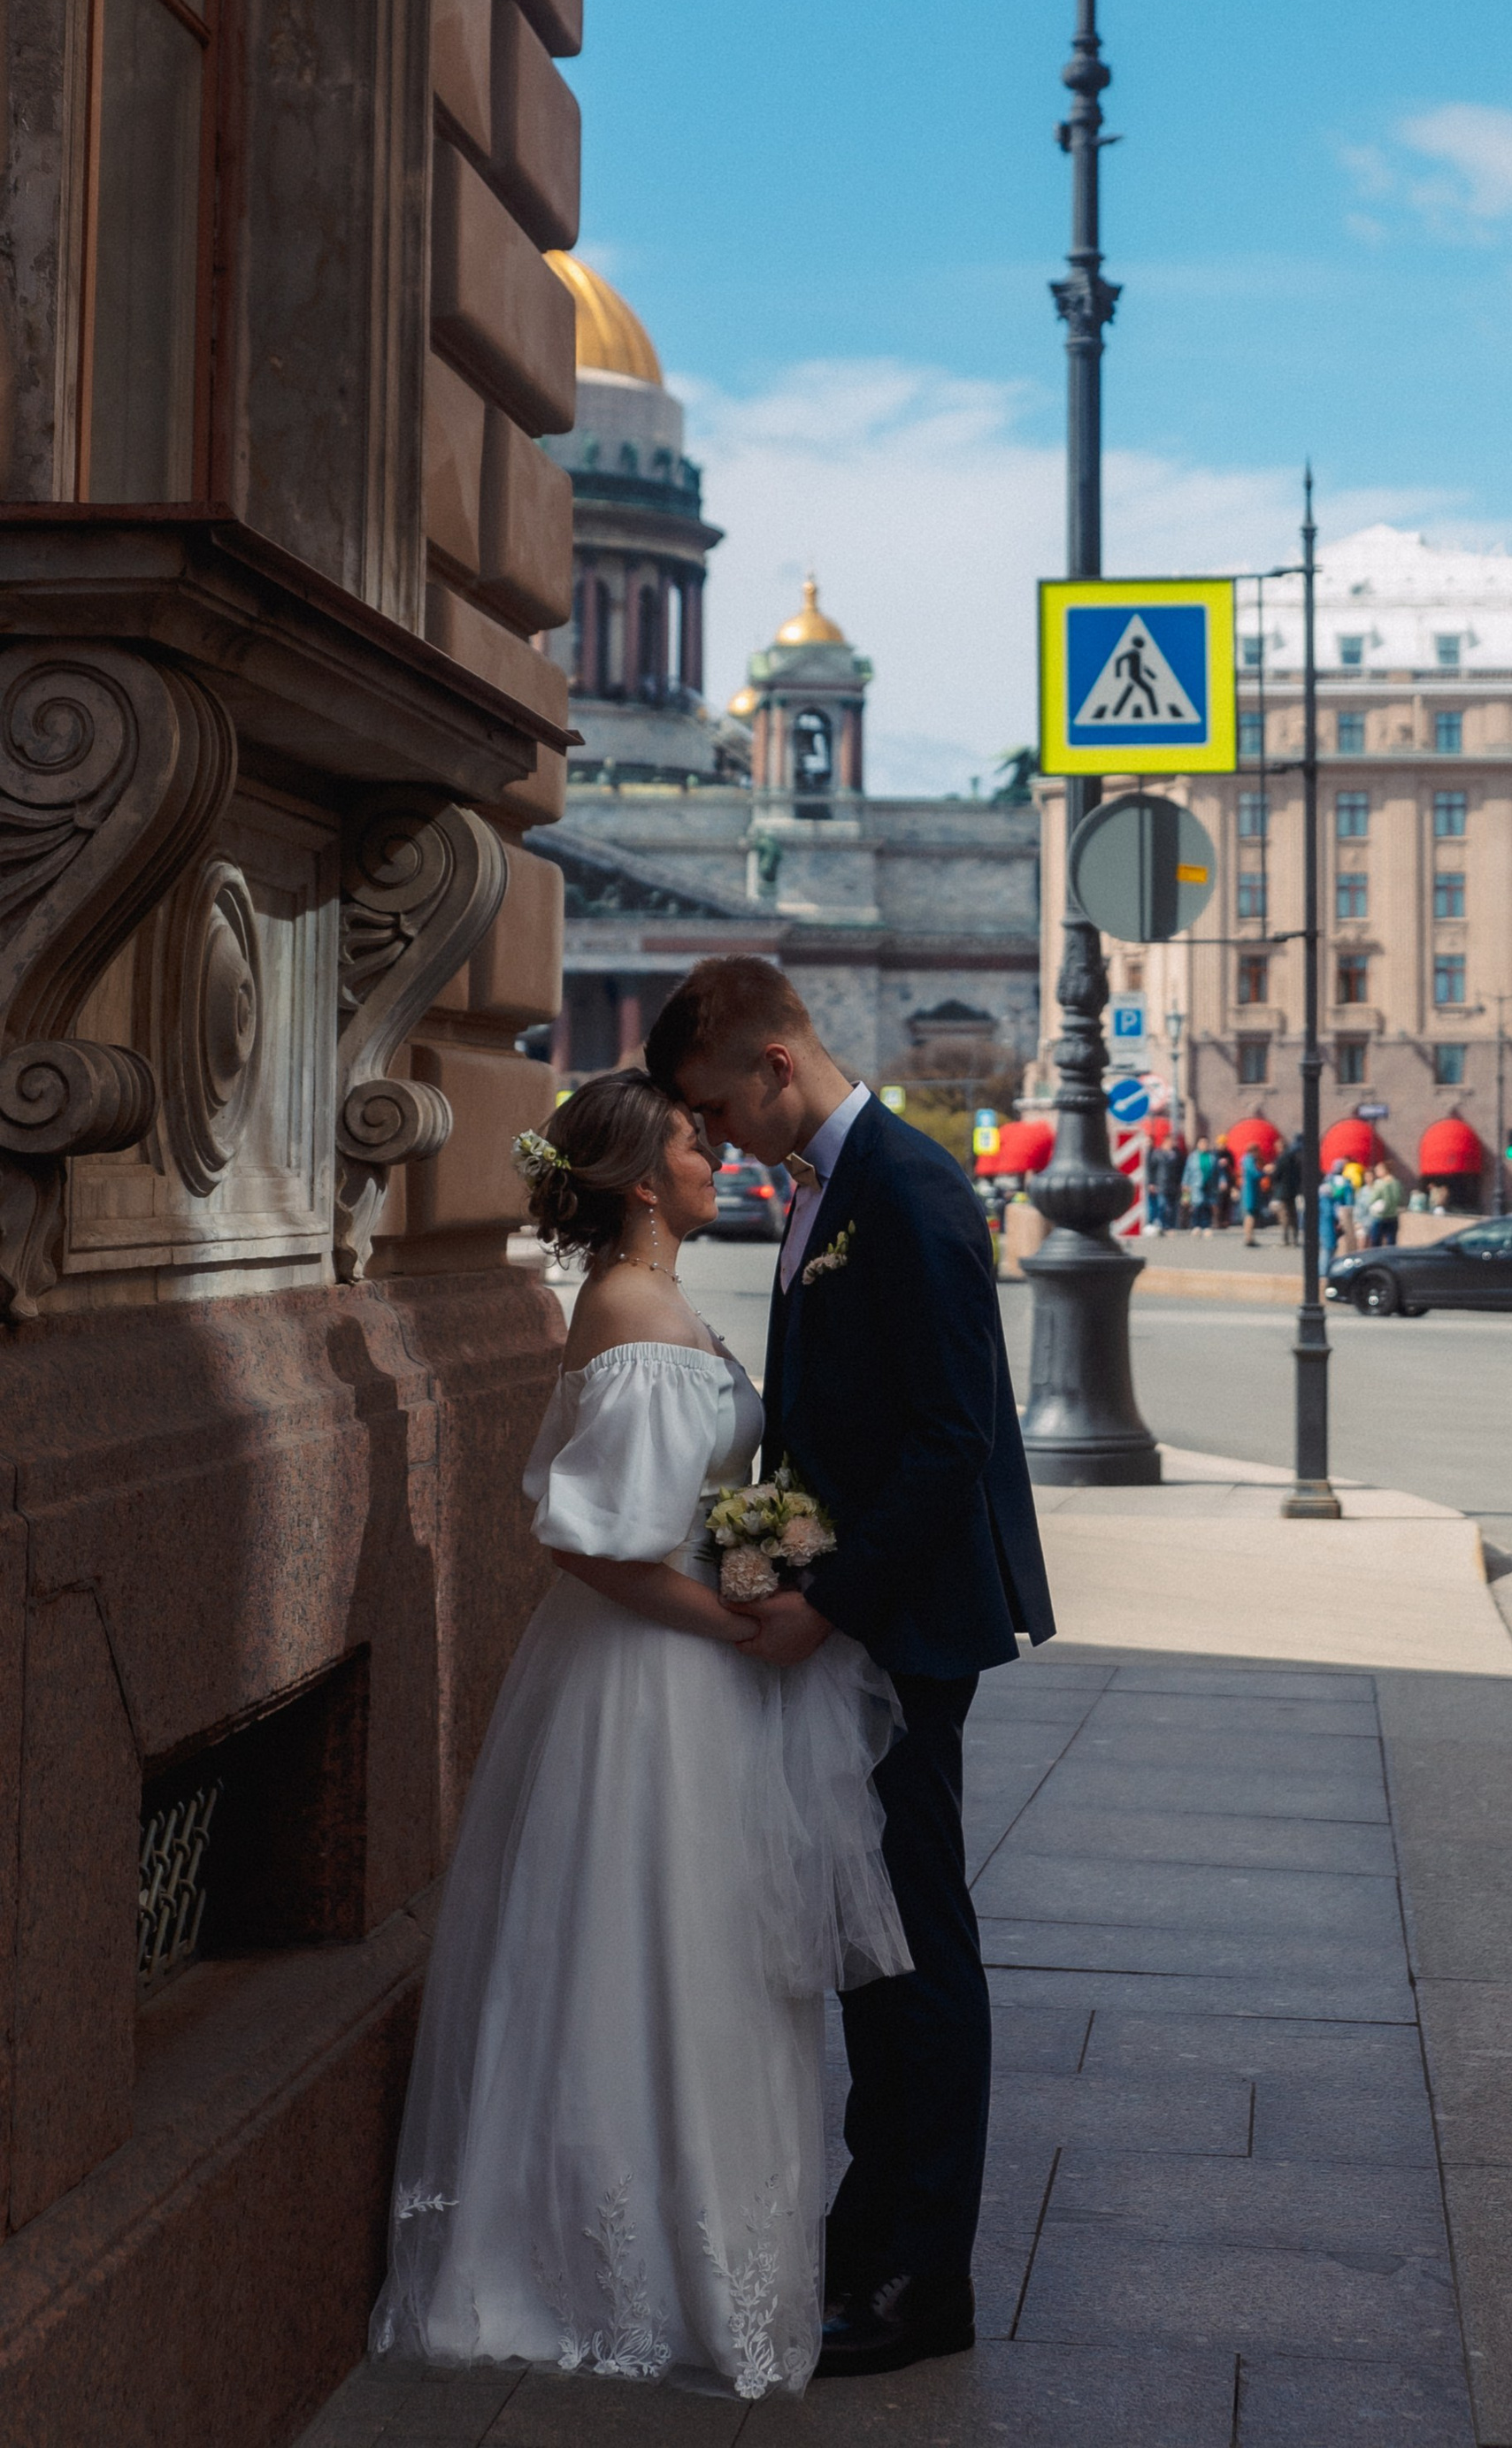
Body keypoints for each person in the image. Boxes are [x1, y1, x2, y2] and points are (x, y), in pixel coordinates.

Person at [369, 1069, 910, 2401]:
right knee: (648, 1943)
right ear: (634, 1183)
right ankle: (601, 2265)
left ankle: (682, 2250)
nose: (713, 1153)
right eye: (689, 1141)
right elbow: (591, 1542)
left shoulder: (654, 1301)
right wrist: (745, 1620)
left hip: (686, 1666)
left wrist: (766, 1564)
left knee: (690, 1947)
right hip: (651, 1681)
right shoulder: (628, 1304)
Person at [649, 956, 1053, 2382]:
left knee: (916, 1950)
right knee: (872, 1944)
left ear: (772, 1063)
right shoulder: (829, 1182)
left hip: (908, 1626)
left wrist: (828, 1599)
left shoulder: (912, 1184)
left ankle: (920, 2277)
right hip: (863, 1612)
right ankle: (874, 2225)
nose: (720, 1140)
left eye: (715, 1106)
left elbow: (955, 1436)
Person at [1271, 1138, 1301, 1244]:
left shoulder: (1280, 1159)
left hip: (1283, 1190)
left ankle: (1285, 1238)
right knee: (1293, 1214)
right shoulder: (1294, 1158)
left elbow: (1276, 1175)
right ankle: (1295, 1237)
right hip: (1292, 1190)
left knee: (1284, 1215)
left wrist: (1271, 1173)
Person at [1240, 1140, 1265, 1245]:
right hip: (1250, 1191)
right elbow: (1254, 1174)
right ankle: (1249, 1237)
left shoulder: (1246, 1160)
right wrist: (1264, 1173)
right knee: (1250, 1214)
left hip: (1250, 1190)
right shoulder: (1249, 1160)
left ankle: (1250, 1236)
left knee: (1250, 1214)